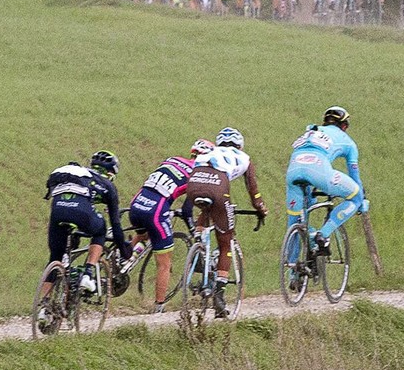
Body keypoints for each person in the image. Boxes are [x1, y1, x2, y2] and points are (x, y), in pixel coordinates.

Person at [183, 128, 267, 317]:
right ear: (240, 145)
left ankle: (199, 243)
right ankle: (219, 297)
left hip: (194, 184)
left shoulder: (209, 151)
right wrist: (261, 208)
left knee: (207, 208)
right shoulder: (244, 157)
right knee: (225, 241)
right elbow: (253, 191)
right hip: (218, 188)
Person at [39, 151, 126, 324]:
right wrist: (124, 249)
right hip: (81, 211)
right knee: (101, 230)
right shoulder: (108, 185)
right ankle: (87, 273)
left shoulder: (78, 174)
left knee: (56, 257)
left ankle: (44, 307)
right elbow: (116, 226)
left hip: (58, 212)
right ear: (111, 173)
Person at [129, 141, 206, 311]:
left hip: (136, 204)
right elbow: (187, 210)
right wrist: (193, 230)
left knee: (142, 234)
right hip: (155, 212)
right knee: (164, 264)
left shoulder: (172, 160)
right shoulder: (196, 175)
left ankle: (121, 261)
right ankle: (159, 306)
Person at [287, 107, 367, 257]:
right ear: (344, 126)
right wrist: (362, 198)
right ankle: (322, 236)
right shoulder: (348, 142)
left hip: (293, 170)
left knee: (295, 221)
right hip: (318, 171)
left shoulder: (311, 131)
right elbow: (354, 174)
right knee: (356, 196)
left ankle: (293, 275)